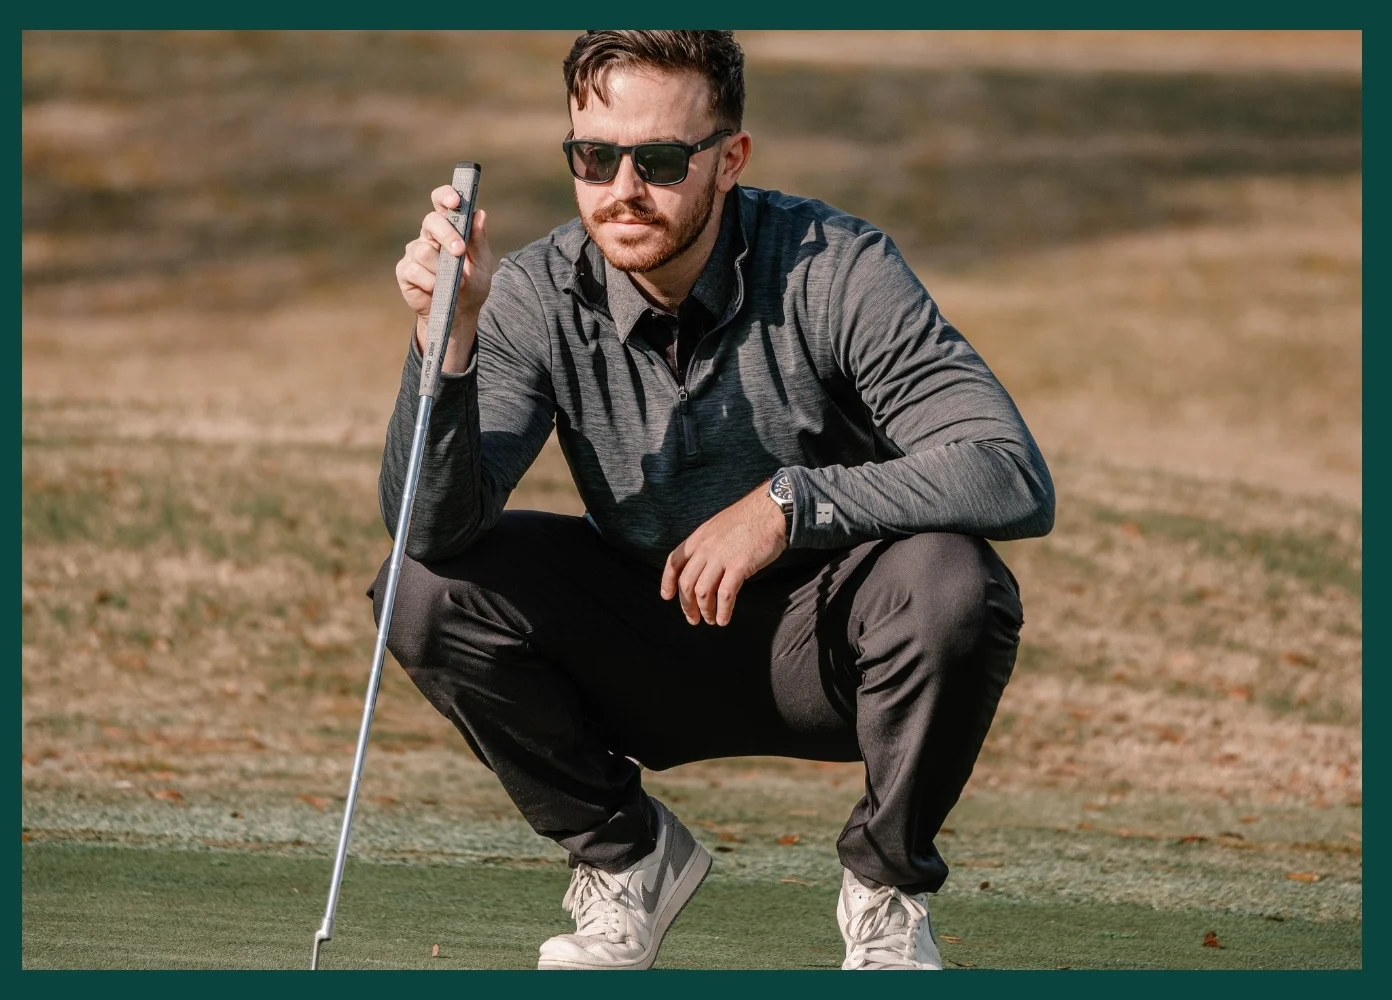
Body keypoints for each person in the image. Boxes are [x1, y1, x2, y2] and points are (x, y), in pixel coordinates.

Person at [379, 29, 1053, 971]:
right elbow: (433, 523)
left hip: (830, 650)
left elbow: (1006, 469)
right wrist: (446, 345)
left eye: (658, 160)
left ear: (729, 158)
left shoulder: (837, 263)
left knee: (953, 582)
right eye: (593, 156)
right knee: (420, 588)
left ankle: (885, 890)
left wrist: (788, 503)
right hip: (643, 640)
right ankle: (629, 860)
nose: (622, 189)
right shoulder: (535, 288)